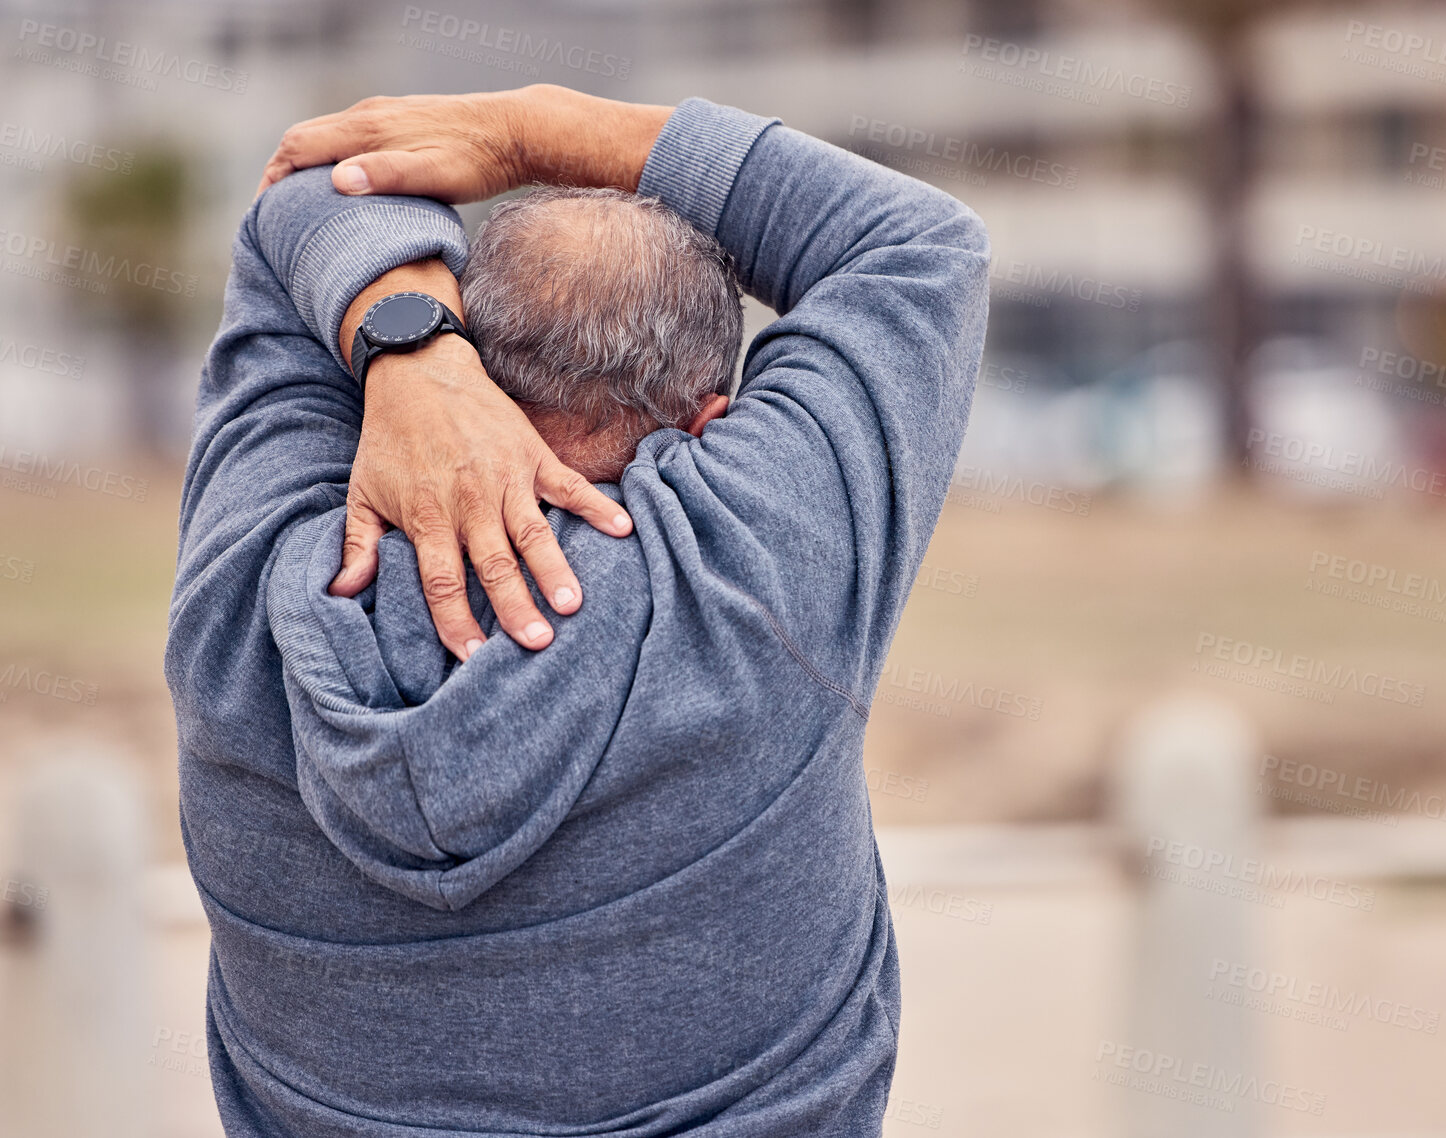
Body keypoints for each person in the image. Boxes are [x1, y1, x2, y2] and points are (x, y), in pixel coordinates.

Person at [164, 84, 989, 1137]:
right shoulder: (762, 559)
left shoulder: (246, 604)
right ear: (710, 422)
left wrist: (414, 352)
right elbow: (917, 240)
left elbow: (309, 190)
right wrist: (531, 129)